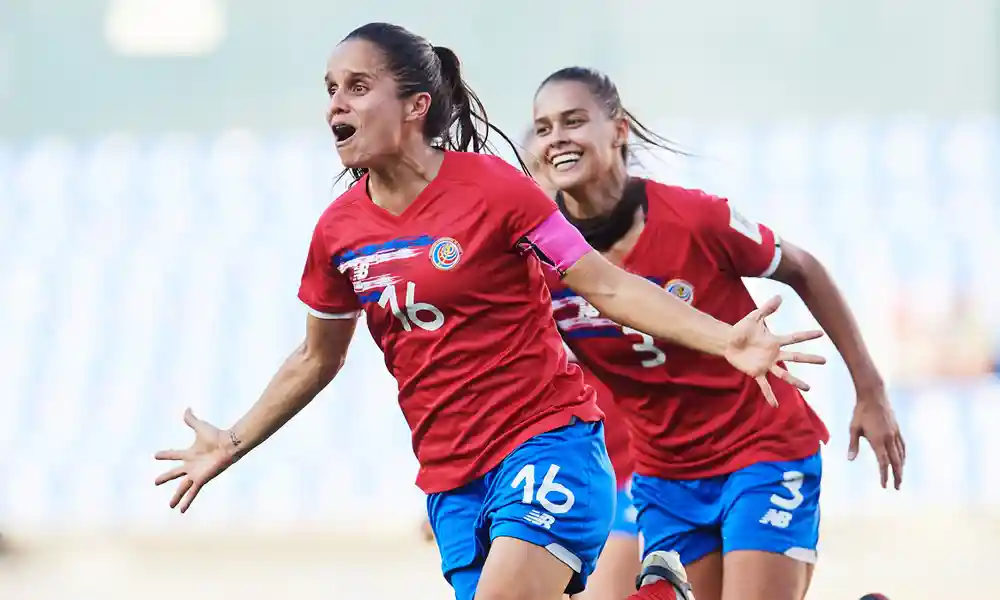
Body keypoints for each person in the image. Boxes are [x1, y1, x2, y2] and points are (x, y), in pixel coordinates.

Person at [153, 25, 826, 600]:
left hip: (550, 444)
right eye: (330, 89)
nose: (336, 103)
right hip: (451, 479)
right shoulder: (339, 232)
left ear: (416, 105)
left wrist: (721, 339)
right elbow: (315, 357)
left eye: (357, 87)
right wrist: (233, 441)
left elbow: (602, 283)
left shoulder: (494, 188)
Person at [528, 66, 906, 600]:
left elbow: (803, 268)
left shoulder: (695, 218)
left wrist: (871, 390)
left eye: (573, 120)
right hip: (663, 476)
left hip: (762, 450)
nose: (556, 138)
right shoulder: (539, 255)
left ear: (618, 130)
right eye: (542, 128)